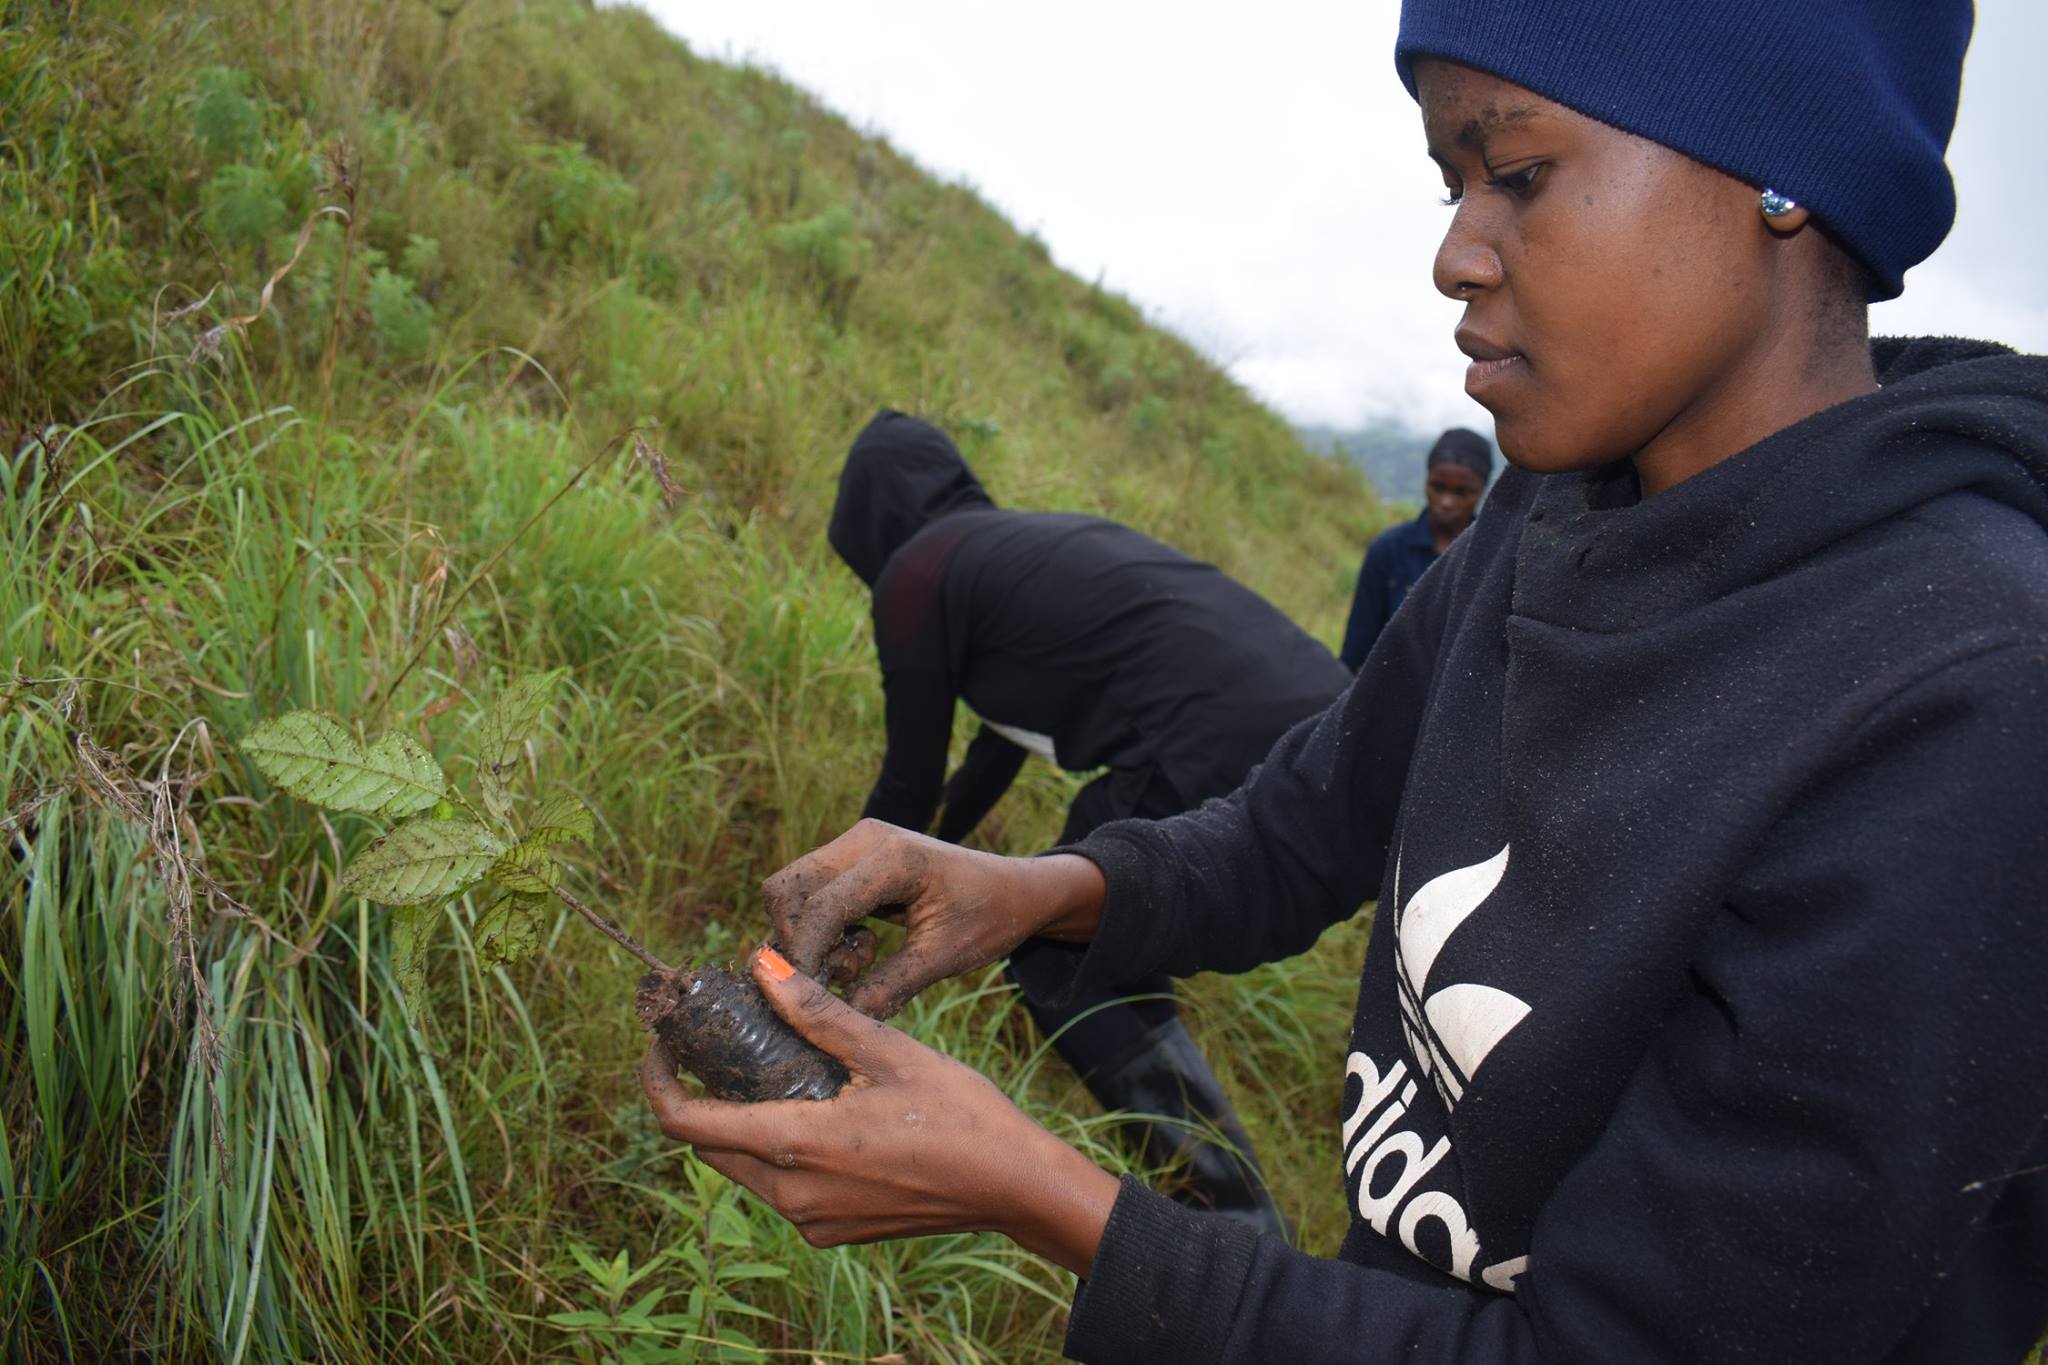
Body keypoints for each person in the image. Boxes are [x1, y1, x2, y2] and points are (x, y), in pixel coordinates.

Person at [642, 3, 2048, 1360]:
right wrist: (1034, 891)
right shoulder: (1542, 508)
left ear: (1786, 172)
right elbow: (1299, 827)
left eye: (1518, 172)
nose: (1453, 256)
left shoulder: (1969, 705)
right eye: (1448, 183)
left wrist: (1043, 1195)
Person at [819, 409, 1351, 1237]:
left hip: (1209, 739)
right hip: (1338, 726)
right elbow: (994, 751)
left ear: (866, 513)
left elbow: (908, 782)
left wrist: (830, 911)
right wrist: (939, 862)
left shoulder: (917, 572)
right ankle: (1232, 1219)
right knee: (1092, 926)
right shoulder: (1008, 553)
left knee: (1061, 949)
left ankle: (1237, 1231)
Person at [1338, 428, 1491, 668]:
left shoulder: (1492, 557)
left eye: (1462, 492)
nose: (1446, 502)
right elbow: (1356, 650)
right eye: (1438, 487)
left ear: (1482, 490)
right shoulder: (1388, 550)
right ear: (1426, 480)